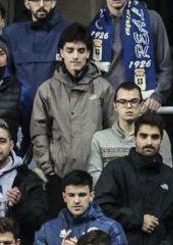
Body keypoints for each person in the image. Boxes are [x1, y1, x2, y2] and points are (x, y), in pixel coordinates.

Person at [32, 24, 117, 211]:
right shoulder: (46, 90)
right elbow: (39, 134)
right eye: (70, 50)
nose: (75, 56)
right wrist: (49, 172)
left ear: (89, 53)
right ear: (61, 52)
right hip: (59, 177)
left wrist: (107, 175)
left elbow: (113, 132)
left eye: (81, 50)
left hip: (96, 178)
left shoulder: (103, 88)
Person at [90, 0, 172, 112]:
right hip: (109, 105)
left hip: (144, 103)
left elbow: (164, 64)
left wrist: (158, 96)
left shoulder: (151, 19)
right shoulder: (95, 27)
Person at [93, 113, 173, 245]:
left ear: (161, 141)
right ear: (135, 138)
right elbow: (100, 207)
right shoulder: (116, 170)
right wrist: (137, 220)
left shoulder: (171, 177)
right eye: (143, 136)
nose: (149, 142)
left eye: (155, 137)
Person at [4, 0, 70, 144]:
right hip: (22, 118)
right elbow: (6, 76)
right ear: (27, 4)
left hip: (61, 118)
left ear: (53, 2)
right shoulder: (12, 34)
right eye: (36, 0)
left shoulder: (69, 31)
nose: (41, 4)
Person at [87, 83, 172, 182]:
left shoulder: (157, 135)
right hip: (111, 195)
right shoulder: (100, 139)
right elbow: (95, 178)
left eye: (134, 101)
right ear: (115, 106)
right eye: (122, 102)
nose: (129, 106)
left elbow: (167, 175)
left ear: (142, 105)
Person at [33, 170, 126, 245]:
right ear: (64, 197)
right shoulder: (47, 230)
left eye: (82, 195)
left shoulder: (111, 228)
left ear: (91, 196)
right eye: (71, 195)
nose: (76, 201)